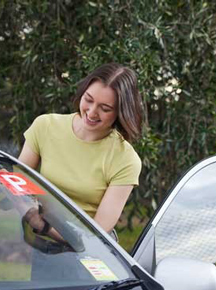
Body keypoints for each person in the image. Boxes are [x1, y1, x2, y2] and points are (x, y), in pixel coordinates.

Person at [18, 63, 143, 242]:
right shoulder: (45, 126)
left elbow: (96, 235)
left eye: (105, 108)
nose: (92, 112)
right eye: (89, 99)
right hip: (45, 243)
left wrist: (42, 225)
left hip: (92, 254)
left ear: (120, 112)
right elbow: (17, 183)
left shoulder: (126, 159)